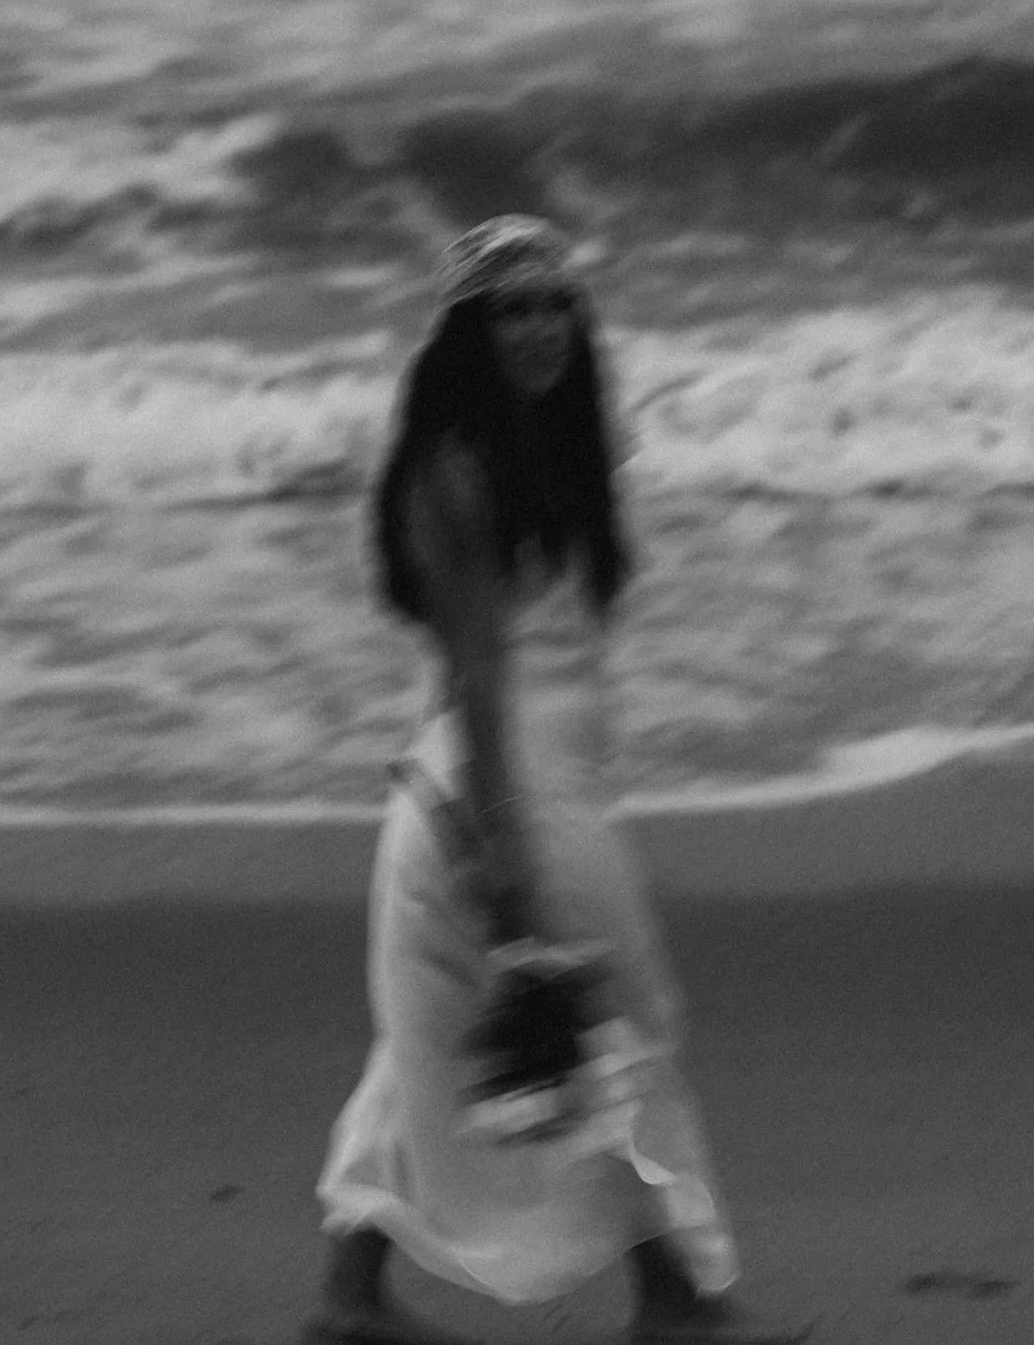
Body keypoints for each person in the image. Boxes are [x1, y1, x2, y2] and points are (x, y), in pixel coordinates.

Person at [309, 216, 810, 1345]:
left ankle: (348, 1293)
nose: (539, 329)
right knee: (624, 1023)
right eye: (511, 311)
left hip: (537, 782)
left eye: (555, 306)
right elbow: (476, 677)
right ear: (467, 334)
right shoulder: (454, 473)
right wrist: (507, 865)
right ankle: (676, 1300)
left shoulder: (556, 453)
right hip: (503, 796)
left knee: (431, 1039)